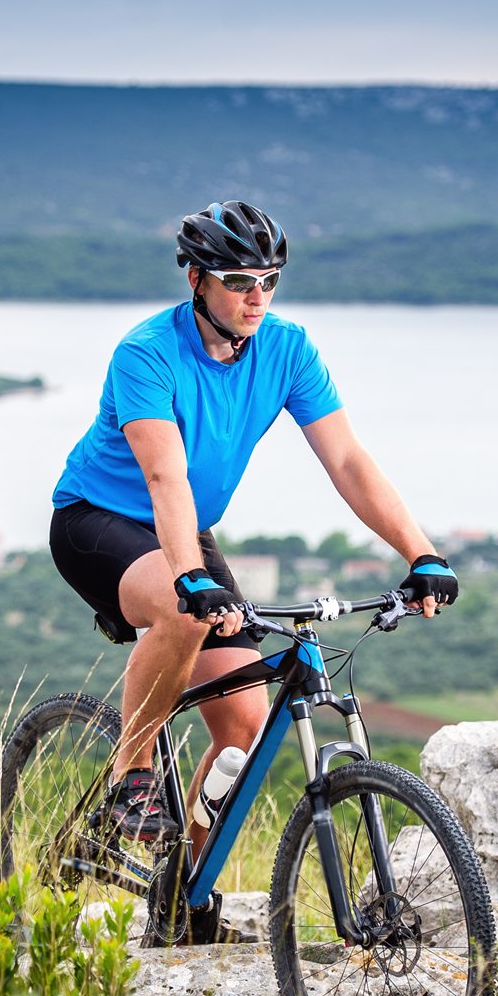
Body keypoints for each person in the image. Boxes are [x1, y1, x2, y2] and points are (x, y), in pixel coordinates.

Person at [48, 199, 459, 855]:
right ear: (197, 281)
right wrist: (190, 577)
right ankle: (132, 770)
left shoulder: (287, 351)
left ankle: (186, 898)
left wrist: (423, 553)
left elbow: (348, 459)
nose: (256, 296)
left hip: (186, 529)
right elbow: (165, 478)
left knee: (243, 723)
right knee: (185, 614)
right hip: (97, 522)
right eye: (239, 282)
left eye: (267, 280)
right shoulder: (147, 354)